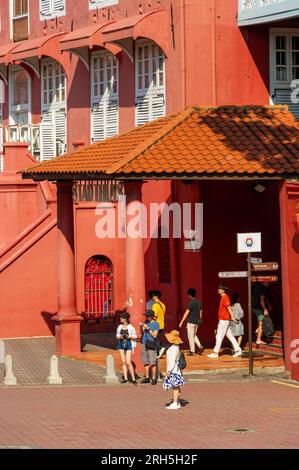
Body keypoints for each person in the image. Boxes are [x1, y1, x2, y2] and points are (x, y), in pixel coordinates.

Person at [207, 285, 242, 358]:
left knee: (219, 336)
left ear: (223, 290)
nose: (218, 290)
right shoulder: (224, 297)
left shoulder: (225, 297)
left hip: (224, 320)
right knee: (230, 336)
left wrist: (233, 318)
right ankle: (238, 350)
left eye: (220, 289)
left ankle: (215, 352)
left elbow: (229, 308)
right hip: (224, 320)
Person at [163, 330, 185, 410]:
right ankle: (177, 402)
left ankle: (175, 403)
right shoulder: (177, 347)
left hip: (173, 371)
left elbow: (171, 361)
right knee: (177, 386)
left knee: (175, 387)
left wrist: (169, 370)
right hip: (177, 370)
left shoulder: (173, 348)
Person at [179, 288, 203, 356]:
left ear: (189, 295)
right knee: (194, 335)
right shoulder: (199, 302)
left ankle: (192, 351)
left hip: (191, 322)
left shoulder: (191, 303)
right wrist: (199, 320)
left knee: (190, 337)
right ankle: (200, 346)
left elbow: (186, 313)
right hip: (197, 322)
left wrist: (181, 322)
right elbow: (201, 312)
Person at [116, 312, 137, 384]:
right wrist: (121, 336)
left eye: (122, 317)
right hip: (121, 343)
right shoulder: (119, 327)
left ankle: (133, 378)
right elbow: (117, 336)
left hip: (128, 344)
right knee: (123, 362)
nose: (120, 318)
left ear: (125, 319)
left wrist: (129, 336)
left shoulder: (131, 327)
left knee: (128, 362)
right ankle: (125, 378)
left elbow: (135, 336)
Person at [140, 310, 160, 385]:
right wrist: (141, 327)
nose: (146, 317)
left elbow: (155, 335)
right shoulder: (146, 322)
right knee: (145, 361)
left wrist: (148, 328)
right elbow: (142, 332)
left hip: (151, 343)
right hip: (144, 342)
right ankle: (147, 377)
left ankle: (154, 378)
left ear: (151, 316)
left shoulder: (156, 324)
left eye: (148, 316)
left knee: (152, 361)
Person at [151, 291, 166, 358]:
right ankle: (160, 350)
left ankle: (160, 349)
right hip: (162, 324)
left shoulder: (155, 305)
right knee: (158, 339)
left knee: (155, 339)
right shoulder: (163, 305)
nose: (152, 297)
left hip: (156, 324)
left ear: (155, 297)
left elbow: (154, 316)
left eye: (153, 296)